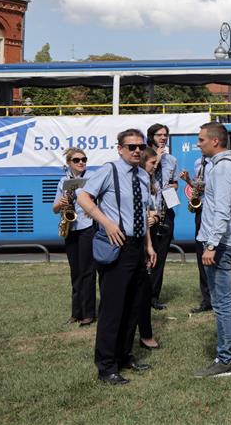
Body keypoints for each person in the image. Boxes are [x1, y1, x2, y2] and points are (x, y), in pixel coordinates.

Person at [76, 129, 157, 386]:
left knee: (133, 305)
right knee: (112, 308)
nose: (136, 151)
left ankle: (124, 355)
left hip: (136, 246)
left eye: (140, 147)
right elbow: (83, 197)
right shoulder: (109, 171)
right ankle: (106, 366)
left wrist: (149, 246)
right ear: (120, 148)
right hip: (116, 244)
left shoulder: (143, 176)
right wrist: (107, 223)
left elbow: (142, 213)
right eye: (131, 146)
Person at [194, 122, 231, 378]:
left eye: (201, 140)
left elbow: (222, 210)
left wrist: (212, 244)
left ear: (215, 141)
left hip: (222, 244)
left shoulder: (222, 169)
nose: (198, 144)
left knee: (222, 302)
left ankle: (225, 358)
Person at [53, 148, 96, 326]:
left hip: (87, 227)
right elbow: (54, 209)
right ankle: (76, 312)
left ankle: (88, 313)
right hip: (71, 228)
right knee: (75, 272)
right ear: (69, 163)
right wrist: (61, 204)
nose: (81, 162)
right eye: (77, 160)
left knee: (88, 271)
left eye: (84, 159)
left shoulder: (92, 178)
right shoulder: (64, 181)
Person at [145, 123, 180, 311]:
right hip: (147, 212)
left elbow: (173, 183)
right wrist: (156, 157)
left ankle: (153, 297)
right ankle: (141, 294)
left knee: (160, 256)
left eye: (166, 135)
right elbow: (146, 175)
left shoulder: (172, 160)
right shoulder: (143, 156)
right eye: (159, 135)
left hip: (165, 211)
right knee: (145, 257)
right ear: (151, 136)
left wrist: (175, 187)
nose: (163, 138)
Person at [181, 154, 214, 313]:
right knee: (201, 256)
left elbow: (215, 189)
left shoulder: (219, 164)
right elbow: (198, 187)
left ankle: (218, 298)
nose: (199, 146)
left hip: (214, 212)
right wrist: (189, 181)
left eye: (202, 141)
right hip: (201, 212)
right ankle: (207, 299)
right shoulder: (198, 163)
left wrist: (200, 186)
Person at [136, 147, 161, 351]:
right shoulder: (137, 179)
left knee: (143, 290)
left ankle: (146, 333)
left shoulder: (149, 180)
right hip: (136, 241)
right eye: (152, 163)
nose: (155, 167)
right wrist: (147, 218)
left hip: (147, 237)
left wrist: (154, 216)